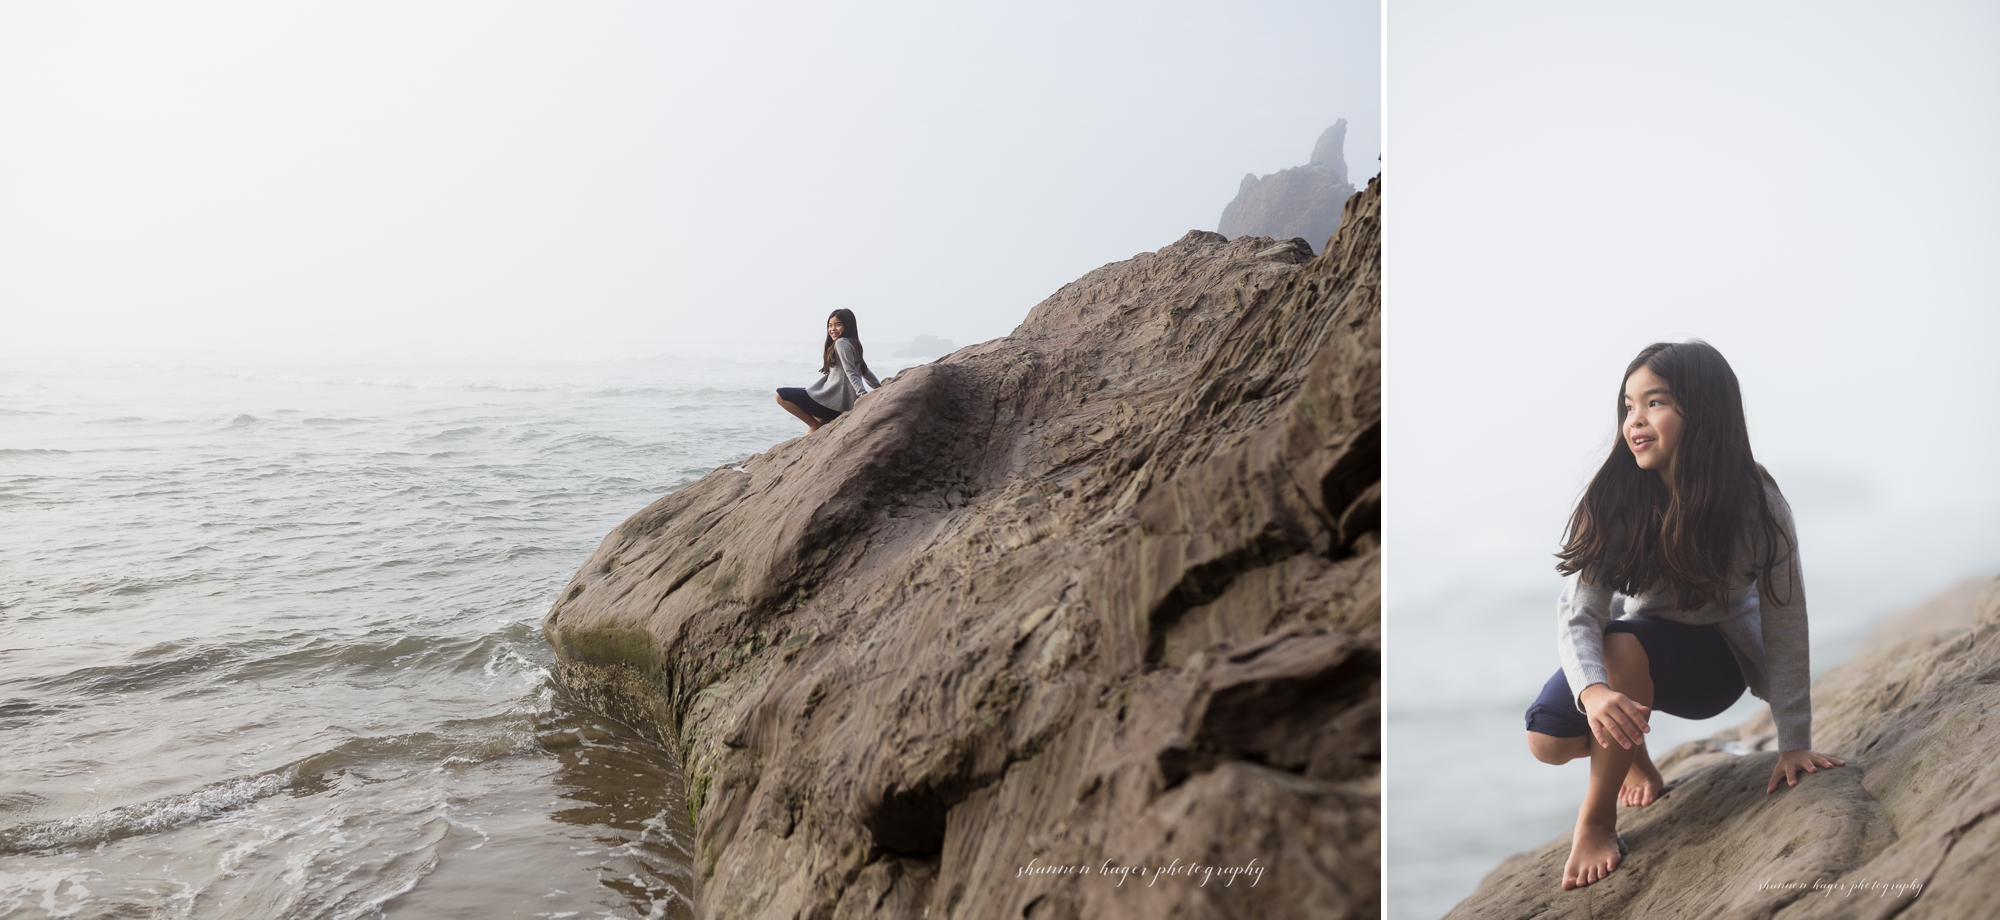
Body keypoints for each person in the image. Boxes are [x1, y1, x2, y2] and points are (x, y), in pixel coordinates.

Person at [1520, 340, 1846, 890]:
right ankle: (1636, 762)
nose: (1635, 420)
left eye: (1656, 403)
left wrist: (1794, 742)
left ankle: (1597, 821)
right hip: (1639, 646)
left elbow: (1786, 621)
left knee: (1622, 647)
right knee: (1546, 740)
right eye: (1628, 406)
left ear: (1705, 412)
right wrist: (1592, 693)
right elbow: (1580, 613)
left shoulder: (1756, 504)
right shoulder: (1619, 499)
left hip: (1712, 662)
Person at [776, 309, 881, 434]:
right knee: (817, 419)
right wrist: (880, 388)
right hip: (837, 403)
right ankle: (816, 428)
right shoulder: (854, 343)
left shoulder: (841, 343)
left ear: (848, 325)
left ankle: (816, 426)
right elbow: (864, 370)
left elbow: (851, 371)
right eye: (830, 325)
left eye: (838, 324)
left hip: (832, 402)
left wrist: (863, 396)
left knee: (781, 395)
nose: (832, 329)